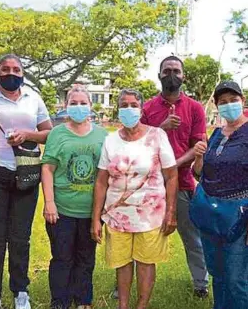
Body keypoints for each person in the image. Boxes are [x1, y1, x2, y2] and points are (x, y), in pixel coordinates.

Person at [0, 54, 52, 309]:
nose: (11, 73)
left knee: (20, 238)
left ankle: (21, 291)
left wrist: (28, 134)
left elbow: (50, 133)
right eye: (5, 69)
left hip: (26, 175)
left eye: (16, 69)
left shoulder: (33, 98)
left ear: (23, 73)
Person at [92, 89, 178, 309]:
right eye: (124, 105)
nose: (128, 109)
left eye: (133, 105)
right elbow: (101, 181)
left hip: (149, 214)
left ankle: (141, 305)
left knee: (146, 262)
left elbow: (171, 175)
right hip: (117, 214)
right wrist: (95, 219)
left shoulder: (157, 135)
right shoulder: (110, 140)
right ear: (117, 109)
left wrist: (171, 212)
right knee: (121, 262)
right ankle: (123, 305)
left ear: (141, 109)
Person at [140, 55, 209, 297]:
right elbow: (135, 143)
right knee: (140, 234)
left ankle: (201, 284)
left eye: (176, 71)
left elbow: (199, 144)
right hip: (148, 185)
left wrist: (174, 165)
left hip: (182, 184)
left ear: (183, 76)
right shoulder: (147, 108)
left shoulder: (195, 108)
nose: (172, 75)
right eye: (167, 70)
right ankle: (126, 284)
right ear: (159, 75)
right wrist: (161, 127)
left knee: (192, 238)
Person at [41, 84, 108, 309]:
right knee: (62, 258)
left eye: (83, 103)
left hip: (91, 211)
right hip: (62, 210)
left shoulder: (102, 135)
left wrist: (101, 213)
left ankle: (83, 300)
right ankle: (59, 301)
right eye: (73, 103)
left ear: (90, 106)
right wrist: (49, 203)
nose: (78, 107)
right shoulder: (57, 134)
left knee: (85, 258)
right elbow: (48, 168)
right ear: (66, 106)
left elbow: (106, 173)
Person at [192, 81, 248, 309]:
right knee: (218, 274)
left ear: (242, 101)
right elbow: (200, 174)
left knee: (236, 279)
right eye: (223, 102)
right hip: (211, 215)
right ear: (216, 106)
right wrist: (198, 157)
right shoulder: (215, 134)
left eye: (233, 100)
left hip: (239, 217)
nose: (229, 105)